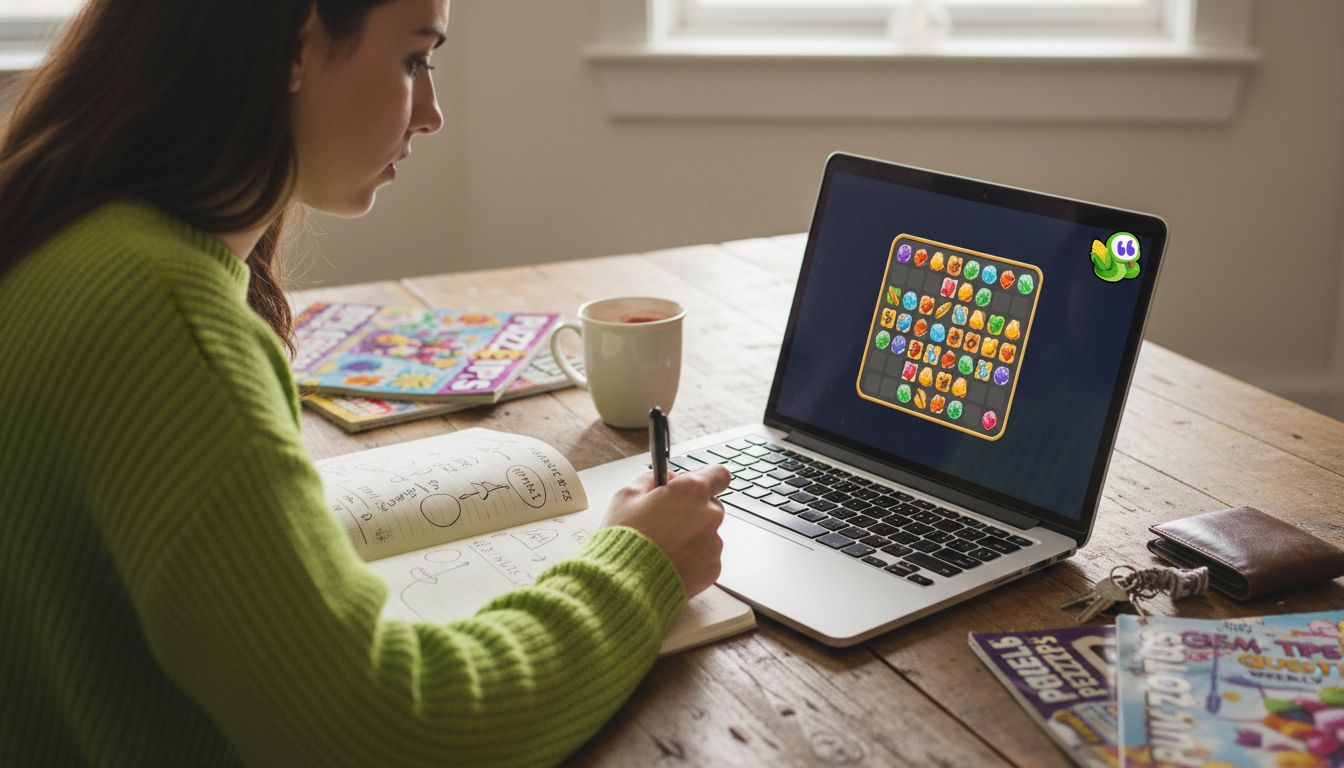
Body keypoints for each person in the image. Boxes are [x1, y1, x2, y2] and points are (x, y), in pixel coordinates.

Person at [0, 1, 729, 765]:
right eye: (414, 59)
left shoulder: (78, 238)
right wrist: (640, 564)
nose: (433, 113)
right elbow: (393, 729)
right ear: (293, 44)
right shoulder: (165, 320)